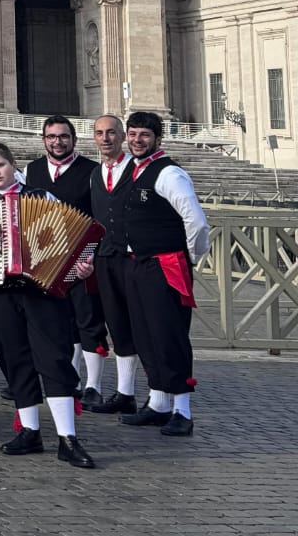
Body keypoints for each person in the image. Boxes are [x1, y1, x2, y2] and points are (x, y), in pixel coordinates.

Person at [0, 141, 96, 467]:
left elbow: (67, 240)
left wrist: (80, 265)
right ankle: (29, 431)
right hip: (0, 289)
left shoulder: (41, 197)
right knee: (14, 357)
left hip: (40, 290)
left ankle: (67, 437)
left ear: (12, 164)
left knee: (53, 357)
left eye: (0, 166)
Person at [116, 110, 210, 436]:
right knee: (145, 335)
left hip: (165, 265)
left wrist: (190, 257)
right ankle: (158, 402)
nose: (137, 140)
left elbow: (195, 222)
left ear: (157, 138)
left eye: (144, 135)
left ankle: (182, 410)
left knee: (169, 336)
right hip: (138, 264)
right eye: (133, 134)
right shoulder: (133, 170)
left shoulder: (169, 174)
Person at [24, 114, 106, 401]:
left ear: (73, 139)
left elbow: (99, 219)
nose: (57, 142)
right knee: (58, 321)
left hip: (82, 259)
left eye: (63, 137)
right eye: (51, 137)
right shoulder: (32, 170)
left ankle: (94, 384)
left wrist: (91, 258)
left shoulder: (92, 171)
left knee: (88, 320)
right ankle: (68, 380)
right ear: (44, 140)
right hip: (47, 261)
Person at [86, 114, 140, 413]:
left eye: (110, 133)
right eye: (99, 133)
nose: (105, 138)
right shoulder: (95, 174)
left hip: (133, 258)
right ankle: (125, 392)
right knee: (116, 323)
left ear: (122, 137)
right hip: (105, 258)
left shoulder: (138, 170)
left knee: (140, 324)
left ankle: (162, 397)